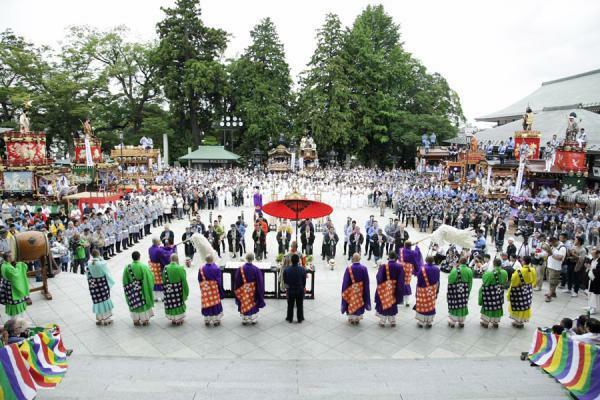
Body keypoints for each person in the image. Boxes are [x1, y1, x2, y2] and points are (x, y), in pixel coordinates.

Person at [122, 251, 155, 327]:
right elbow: (149, 278)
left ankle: (135, 320)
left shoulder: (127, 267)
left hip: (132, 289)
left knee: (134, 303)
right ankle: (144, 320)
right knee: (142, 303)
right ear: (139, 257)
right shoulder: (143, 266)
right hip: (142, 289)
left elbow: (125, 280)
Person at [233, 252, 266, 325]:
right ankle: (253, 318)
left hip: (244, 289)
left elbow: (237, 280)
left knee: (244, 302)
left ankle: (245, 318)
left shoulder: (240, 269)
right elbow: (260, 282)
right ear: (253, 259)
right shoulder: (256, 269)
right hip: (253, 290)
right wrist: (259, 290)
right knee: (253, 302)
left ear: (246, 258)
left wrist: (239, 288)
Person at [374, 252, 405, 327]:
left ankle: (382, 321)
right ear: (395, 257)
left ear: (389, 257)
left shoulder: (384, 266)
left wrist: (381, 285)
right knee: (392, 304)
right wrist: (399, 289)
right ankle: (392, 321)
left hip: (385, 288)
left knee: (384, 302)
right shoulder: (399, 266)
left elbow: (379, 278)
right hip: (395, 288)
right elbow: (401, 280)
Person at [86, 249, 115, 326]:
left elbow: (88, 275)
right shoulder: (101, 263)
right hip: (102, 283)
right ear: (98, 254)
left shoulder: (89, 263)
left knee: (97, 300)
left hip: (94, 284)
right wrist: (101, 258)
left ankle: (99, 318)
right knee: (105, 299)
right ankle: (106, 319)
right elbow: (107, 272)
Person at [341, 253, 371, 325]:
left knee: (351, 302)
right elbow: (366, 281)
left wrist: (344, 290)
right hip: (360, 290)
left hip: (351, 290)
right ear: (359, 259)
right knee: (359, 302)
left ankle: (351, 318)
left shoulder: (349, 269)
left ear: (352, 259)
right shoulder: (364, 268)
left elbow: (346, 281)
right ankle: (357, 318)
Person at [507, 255, 536, 328]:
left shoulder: (519, 271)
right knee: (525, 304)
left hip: (518, 291)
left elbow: (513, 282)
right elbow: (534, 281)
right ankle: (521, 320)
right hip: (528, 290)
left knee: (518, 305)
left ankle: (518, 321)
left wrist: (509, 293)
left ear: (523, 261)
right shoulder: (532, 269)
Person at [479, 258, 508, 328]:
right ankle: (495, 322)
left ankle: (486, 322)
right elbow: (505, 281)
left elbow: (484, 282)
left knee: (488, 305)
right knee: (497, 305)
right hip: (499, 292)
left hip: (489, 293)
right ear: (500, 264)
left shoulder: (489, 273)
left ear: (494, 264)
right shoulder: (504, 272)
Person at [198, 254, 225, 326]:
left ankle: (207, 320)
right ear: (212, 260)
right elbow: (219, 280)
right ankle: (216, 320)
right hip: (214, 290)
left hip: (206, 290)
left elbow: (200, 280)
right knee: (215, 303)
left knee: (206, 303)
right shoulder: (216, 268)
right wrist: (220, 289)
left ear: (205, 260)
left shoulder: (201, 268)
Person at [414, 256, 440, 328]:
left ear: (426, 260)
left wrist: (417, 291)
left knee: (422, 304)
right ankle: (429, 322)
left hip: (423, 289)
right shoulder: (437, 269)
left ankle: (421, 322)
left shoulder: (422, 269)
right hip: (432, 290)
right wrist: (437, 291)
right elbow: (438, 281)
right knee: (430, 305)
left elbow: (419, 281)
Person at [162, 254, 189, 326]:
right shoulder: (180, 268)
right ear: (177, 259)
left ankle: (173, 319)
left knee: (171, 302)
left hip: (169, 289)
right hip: (178, 289)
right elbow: (183, 280)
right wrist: (185, 290)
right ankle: (179, 319)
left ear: (170, 259)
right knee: (178, 303)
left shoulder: (165, 268)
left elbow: (164, 279)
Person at [447, 258, 473, 328]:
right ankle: (461, 321)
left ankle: (452, 321)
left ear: (459, 262)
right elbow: (470, 282)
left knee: (455, 304)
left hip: (455, 291)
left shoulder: (455, 270)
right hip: (465, 291)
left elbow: (450, 280)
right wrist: (468, 291)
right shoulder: (469, 270)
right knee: (463, 305)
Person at [283, 254, 307, 323]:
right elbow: (304, 281)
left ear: (291, 261)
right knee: (300, 304)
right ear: (298, 261)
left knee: (290, 305)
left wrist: (287, 289)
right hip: (300, 289)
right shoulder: (302, 269)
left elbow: (285, 281)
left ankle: (289, 318)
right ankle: (300, 318)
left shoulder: (287, 270)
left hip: (290, 290)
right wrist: (302, 287)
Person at [545, 236, 566, 302]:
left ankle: (549, 295)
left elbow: (560, 258)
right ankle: (552, 293)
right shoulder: (552, 246)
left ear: (555, 241)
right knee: (550, 281)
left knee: (553, 282)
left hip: (556, 268)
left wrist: (551, 253)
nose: (551, 245)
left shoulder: (562, 247)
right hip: (550, 266)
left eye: (552, 243)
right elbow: (548, 254)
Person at [586, 249, 600, 315]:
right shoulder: (593, 259)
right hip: (591, 279)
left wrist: (591, 269)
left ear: (597, 254)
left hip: (597, 281)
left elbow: (597, 271)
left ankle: (594, 309)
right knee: (590, 293)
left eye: (593, 254)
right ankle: (590, 306)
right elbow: (590, 267)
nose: (592, 255)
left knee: (595, 295)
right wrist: (588, 267)